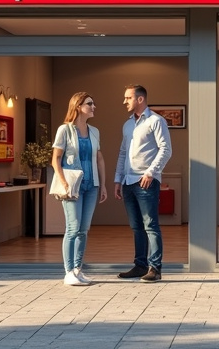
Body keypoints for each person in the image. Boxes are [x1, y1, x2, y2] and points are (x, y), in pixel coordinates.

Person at [114, 84, 172, 282]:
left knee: (151, 225)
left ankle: (155, 268)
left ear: (140, 99)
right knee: (136, 226)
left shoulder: (156, 121)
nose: (124, 102)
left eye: (128, 98)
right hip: (128, 182)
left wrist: (150, 173)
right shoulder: (127, 125)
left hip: (146, 181)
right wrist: (117, 179)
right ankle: (140, 266)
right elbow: (123, 153)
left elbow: (166, 149)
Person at [51, 92, 107, 286]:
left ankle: (77, 269)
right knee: (73, 228)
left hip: (91, 185)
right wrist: (63, 182)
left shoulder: (94, 131)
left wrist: (103, 184)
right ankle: (68, 273)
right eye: (90, 103)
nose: (94, 107)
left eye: (93, 103)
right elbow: (56, 159)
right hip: (73, 186)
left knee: (84, 229)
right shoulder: (64, 130)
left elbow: (99, 159)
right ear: (78, 106)